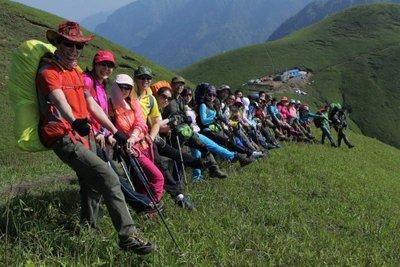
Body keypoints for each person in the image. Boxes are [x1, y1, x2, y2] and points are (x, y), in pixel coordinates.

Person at [36, 21, 153, 253]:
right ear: (57, 43)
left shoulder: (76, 73)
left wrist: (115, 131)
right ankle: (128, 236)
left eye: (78, 46)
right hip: (63, 135)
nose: (73, 50)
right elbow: (58, 98)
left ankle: (87, 231)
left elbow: (91, 103)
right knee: (108, 177)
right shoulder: (48, 71)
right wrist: (74, 121)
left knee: (91, 184)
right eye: (67, 44)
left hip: (83, 135)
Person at [83, 51, 160, 214]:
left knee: (113, 176)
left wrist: (110, 133)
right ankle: (144, 205)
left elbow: (139, 122)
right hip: (100, 139)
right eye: (103, 64)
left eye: (110, 66)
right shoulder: (89, 82)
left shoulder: (126, 100)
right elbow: (91, 111)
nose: (106, 69)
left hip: (134, 142)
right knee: (111, 175)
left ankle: (142, 204)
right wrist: (105, 133)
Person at [109, 74, 165, 203]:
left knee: (142, 179)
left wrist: (133, 136)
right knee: (158, 177)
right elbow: (110, 127)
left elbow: (141, 122)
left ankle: (145, 207)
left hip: (144, 144)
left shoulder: (133, 103)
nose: (124, 91)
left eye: (128, 88)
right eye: (121, 87)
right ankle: (151, 207)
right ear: (115, 87)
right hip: (131, 149)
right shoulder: (111, 106)